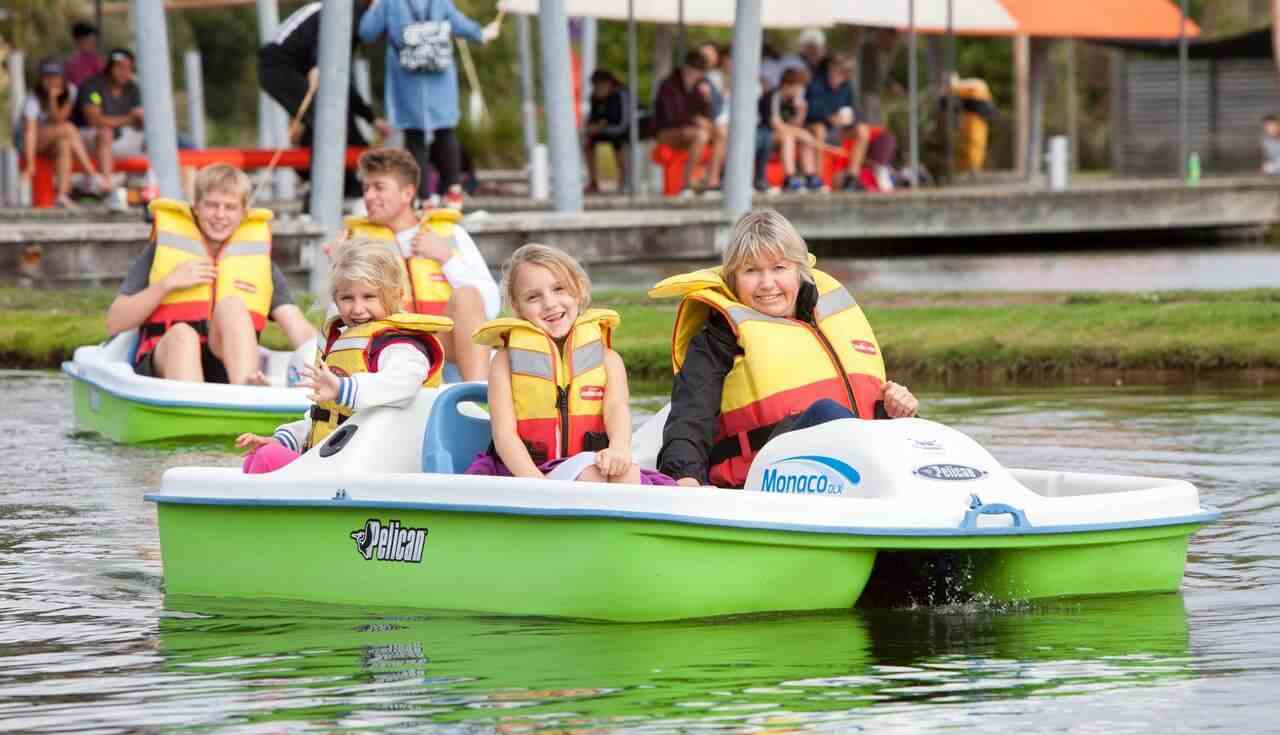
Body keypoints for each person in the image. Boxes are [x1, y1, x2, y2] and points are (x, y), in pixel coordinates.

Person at [651, 209, 919, 488]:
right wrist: (684, 479)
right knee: (827, 413)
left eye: (779, 268)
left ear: (799, 272)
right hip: (762, 483)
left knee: (918, 430)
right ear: (732, 279)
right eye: (751, 271)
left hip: (852, 475)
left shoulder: (831, 321)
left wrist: (897, 410)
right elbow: (689, 419)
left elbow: (870, 422)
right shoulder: (718, 339)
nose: (767, 284)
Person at [237, 238, 452, 473]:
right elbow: (326, 416)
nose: (357, 308)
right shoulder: (343, 341)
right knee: (260, 455)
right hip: (339, 461)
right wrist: (283, 440)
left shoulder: (400, 345)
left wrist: (343, 389)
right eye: (347, 298)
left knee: (267, 460)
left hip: (374, 465)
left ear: (397, 295)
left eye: (369, 297)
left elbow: (402, 386)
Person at [466, 244, 673, 485]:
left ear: (579, 291)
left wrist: (618, 449)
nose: (550, 304)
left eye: (559, 289)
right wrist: (536, 483)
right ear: (516, 306)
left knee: (625, 471)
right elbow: (504, 435)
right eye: (533, 297)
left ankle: (627, 523)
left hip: (589, 462)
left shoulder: (608, 360)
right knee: (591, 473)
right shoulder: (504, 362)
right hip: (528, 471)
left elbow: (617, 410)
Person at [105, 164, 317, 385]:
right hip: (167, 361)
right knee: (182, 335)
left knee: (233, 306)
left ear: (244, 213)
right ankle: (194, 409)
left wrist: (337, 367)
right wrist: (168, 283)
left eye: (230, 207)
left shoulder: (259, 263)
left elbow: (297, 327)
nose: (220, 215)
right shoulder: (162, 251)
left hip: (226, 367)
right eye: (211, 205)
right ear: (195, 206)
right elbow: (115, 322)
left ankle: (247, 392)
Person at [343, 148, 499, 380]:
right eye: (366, 188)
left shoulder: (451, 234)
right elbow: (338, 315)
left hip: (443, 347)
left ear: (407, 194)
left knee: (467, 295)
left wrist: (447, 259)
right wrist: (338, 263)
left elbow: (491, 304)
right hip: (385, 348)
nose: (368, 196)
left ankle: (477, 400)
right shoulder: (354, 241)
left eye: (379, 187)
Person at [359, 0, 501, 210]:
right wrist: (482, 33)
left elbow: (367, 32)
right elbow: (459, 24)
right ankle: (453, 192)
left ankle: (424, 198)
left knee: (415, 137)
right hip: (439, 78)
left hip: (407, 80)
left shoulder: (389, 3)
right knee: (445, 131)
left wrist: (373, 6)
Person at [258, 1, 391, 197]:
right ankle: (326, 188)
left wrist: (371, 118)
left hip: (291, 65)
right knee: (328, 119)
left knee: (334, 120)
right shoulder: (350, 12)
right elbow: (324, 46)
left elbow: (342, 83)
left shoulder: (349, 14)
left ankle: (346, 185)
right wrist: (317, 65)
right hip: (279, 66)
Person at [17, 58, 109, 209]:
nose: (51, 81)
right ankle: (92, 175)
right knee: (68, 129)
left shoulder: (70, 90)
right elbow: (30, 132)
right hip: (30, 143)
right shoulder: (32, 99)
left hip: (55, 139)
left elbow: (58, 119)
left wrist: (53, 99)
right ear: (40, 79)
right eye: (46, 77)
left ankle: (62, 194)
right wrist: (30, 164)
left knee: (64, 144)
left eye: (55, 76)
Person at [654, 50, 726, 195]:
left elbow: (712, 114)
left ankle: (712, 181)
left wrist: (707, 100)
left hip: (693, 130)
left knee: (722, 132)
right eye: (694, 72)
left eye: (700, 73)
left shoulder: (701, 85)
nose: (696, 76)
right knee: (701, 135)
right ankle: (686, 183)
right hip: (667, 131)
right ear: (686, 68)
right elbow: (671, 116)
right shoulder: (669, 85)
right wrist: (695, 120)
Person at [73, 48, 144, 185]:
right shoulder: (93, 87)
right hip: (87, 138)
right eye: (120, 67)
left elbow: (138, 119)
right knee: (105, 133)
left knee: (172, 141)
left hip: (120, 138)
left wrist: (140, 119)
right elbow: (94, 120)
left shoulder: (132, 88)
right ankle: (107, 185)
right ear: (110, 67)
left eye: (129, 68)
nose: (125, 72)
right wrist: (128, 119)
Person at [805, 53, 870, 192]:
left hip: (839, 130)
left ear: (845, 75)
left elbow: (853, 111)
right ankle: (818, 179)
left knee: (862, 130)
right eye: (833, 71)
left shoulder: (847, 87)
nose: (835, 75)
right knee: (819, 129)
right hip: (816, 126)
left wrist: (850, 119)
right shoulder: (816, 84)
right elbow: (809, 110)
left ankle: (851, 177)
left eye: (840, 73)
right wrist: (828, 117)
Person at [756, 67, 823, 193]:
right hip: (766, 133)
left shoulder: (794, 101)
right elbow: (775, 123)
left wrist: (801, 112)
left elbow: (795, 125)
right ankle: (790, 177)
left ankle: (810, 175)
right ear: (786, 85)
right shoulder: (774, 96)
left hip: (784, 132)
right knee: (790, 137)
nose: (799, 91)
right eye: (797, 87)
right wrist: (799, 133)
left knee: (805, 138)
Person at [583, 69, 631, 194]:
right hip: (605, 131)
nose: (597, 89)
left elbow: (620, 121)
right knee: (588, 144)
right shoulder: (595, 96)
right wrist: (590, 128)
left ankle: (624, 180)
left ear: (608, 83)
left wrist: (599, 127)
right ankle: (593, 181)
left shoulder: (620, 94)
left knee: (618, 144)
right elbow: (593, 118)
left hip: (623, 129)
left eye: (600, 85)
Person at [64, 21, 104, 87]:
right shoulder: (71, 63)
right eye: (90, 41)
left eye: (94, 41)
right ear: (79, 41)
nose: (93, 44)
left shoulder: (96, 59)